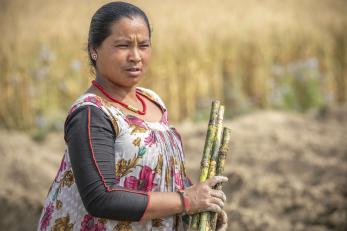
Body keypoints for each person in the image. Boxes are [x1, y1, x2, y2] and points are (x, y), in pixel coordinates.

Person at [37, 2, 228, 230]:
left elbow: (165, 175)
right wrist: (186, 200)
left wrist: (201, 206)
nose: (136, 56)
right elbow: (101, 199)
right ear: (93, 50)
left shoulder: (153, 101)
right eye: (123, 45)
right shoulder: (91, 113)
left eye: (144, 45)